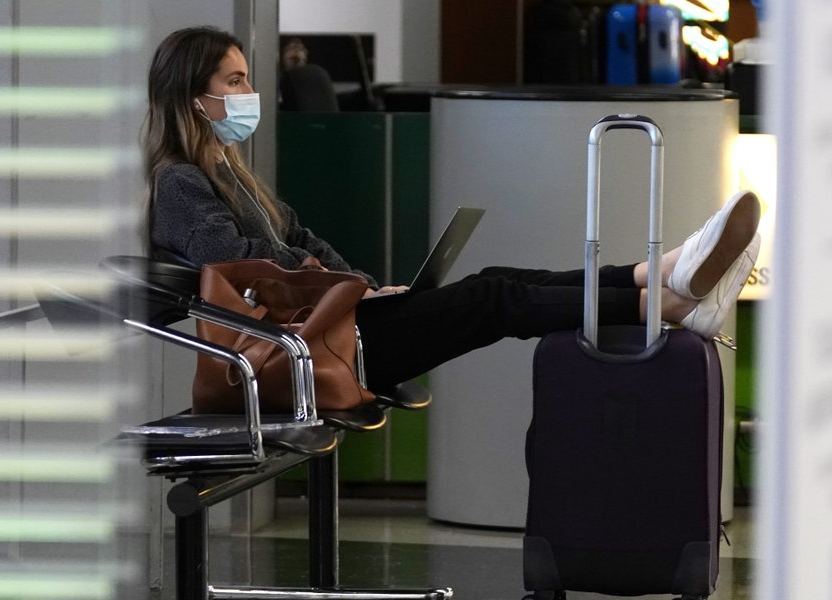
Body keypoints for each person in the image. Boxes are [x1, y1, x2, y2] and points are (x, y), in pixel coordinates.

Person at [143, 26, 761, 393]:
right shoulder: (179, 184)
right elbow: (244, 266)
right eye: (233, 81)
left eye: (247, 78)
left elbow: (300, 239)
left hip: (336, 324)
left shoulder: (231, 173)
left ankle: (658, 278)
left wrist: (356, 283)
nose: (248, 93)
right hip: (308, 351)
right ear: (191, 97)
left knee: (501, 283)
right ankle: (665, 297)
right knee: (491, 299)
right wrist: (336, 285)